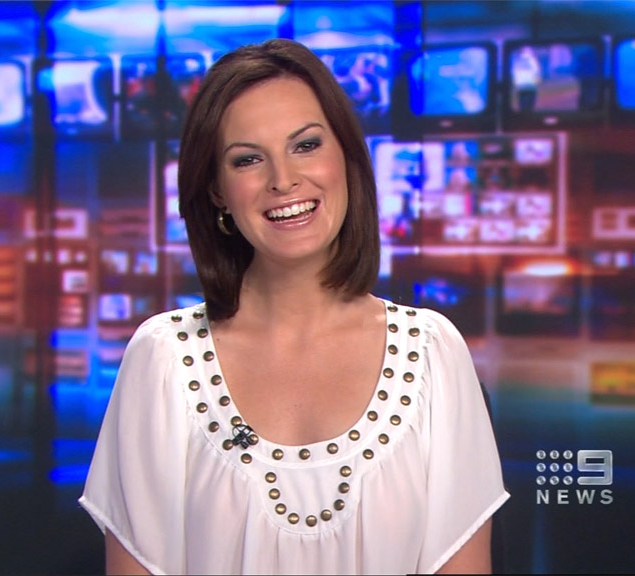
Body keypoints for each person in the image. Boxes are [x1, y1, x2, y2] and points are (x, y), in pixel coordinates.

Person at [79, 38, 508, 575]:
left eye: (305, 145)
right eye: (248, 159)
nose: (283, 180)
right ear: (216, 190)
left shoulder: (431, 354)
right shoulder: (163, 359)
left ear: (346, 157)